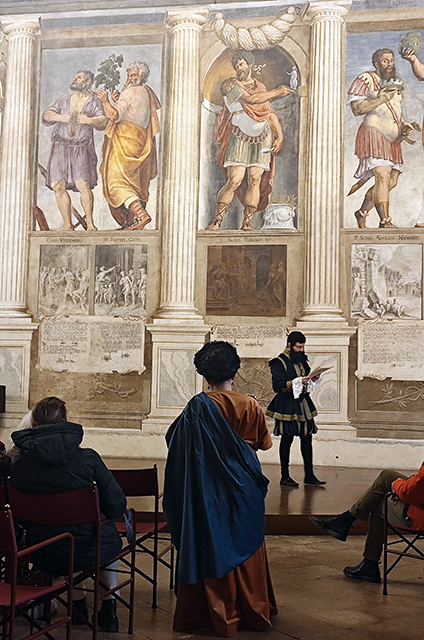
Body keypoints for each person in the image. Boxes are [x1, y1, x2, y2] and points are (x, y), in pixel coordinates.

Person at [163, 341, 277, 636]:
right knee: (246, 544)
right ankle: (253, 610)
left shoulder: (196, 408)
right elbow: (263, 444)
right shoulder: (250, 405)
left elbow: (174, 442)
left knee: (209, 543)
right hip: (244, 489)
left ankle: (210, 613)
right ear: (235, 372)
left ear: (204, 375)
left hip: (207, 490)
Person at [9, 396, 126, 632]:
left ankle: (77, 604)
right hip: (93, 545)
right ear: (65, 420)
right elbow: (116, 506)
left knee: (67, 535)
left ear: (33, 423)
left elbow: (20, 519)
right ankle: (108, 607)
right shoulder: (89, 459)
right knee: (101, 533)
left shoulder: (18, 466)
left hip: (45, 549)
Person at [208, 50, 293, 231]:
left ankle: (247, 223)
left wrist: (280, 136)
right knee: (234, 180)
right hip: (239, 136)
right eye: (236, 65)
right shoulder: (231, 85)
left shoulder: (260, 87)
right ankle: (217, 221)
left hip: (263, 137)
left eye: (242, 64)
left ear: (250, 65)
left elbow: (268, 113)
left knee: (255, 180)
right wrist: (278, 91)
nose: (239, 67)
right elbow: (252, 100)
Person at [309, 463, 424, 583]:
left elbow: (408, 493)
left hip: (419, 518)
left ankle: (369, 563)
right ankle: (345, 521)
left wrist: (396, 485)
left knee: (379, 505)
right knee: (387, 476)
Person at [347, 48, 413, 229]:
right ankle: (385, 221)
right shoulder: (365, 79)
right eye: (385, 61)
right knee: (383, 176)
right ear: (377, 64)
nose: (390, 64)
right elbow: (357, 109)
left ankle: (361, 212)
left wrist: (403, 123)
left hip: (393, 138)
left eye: (391, 60)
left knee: (391, 181)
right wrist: (380, 99)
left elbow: (394, 109)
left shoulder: (396, 83)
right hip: (374, 132)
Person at [98, 61, 161, 231]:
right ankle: (132, 221)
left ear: (141, 76)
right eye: (129, 75)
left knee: (116, 181)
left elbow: (113, 115)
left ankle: (141, 215)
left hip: (125, 140)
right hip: (139, 140)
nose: (129, 78)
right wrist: (118, 100)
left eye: (133, 75)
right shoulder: (146, 91)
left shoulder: (130, 92)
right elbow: (133, 112)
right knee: (133, 182)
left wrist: (105, 101)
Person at [43, 70, 107, 231]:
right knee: (57, 184)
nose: (75, 79)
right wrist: (61, 117)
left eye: (79, 77)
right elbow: (47, 115)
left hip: (81, 147)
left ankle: (90, 224)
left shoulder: (93, 100)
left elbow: (103, 120)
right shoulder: (65, 99)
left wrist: (89, 120)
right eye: (75, 77)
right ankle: (67, 224)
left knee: (82, 184)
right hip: (60, 147)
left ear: (88, 82)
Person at [266, 331, 325, 487]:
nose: (301, 350)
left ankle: (309, 475)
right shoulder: (278, 362)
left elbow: (305, 377)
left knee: (307, 439)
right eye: (298, 347)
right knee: (287, 440)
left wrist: (312, 378)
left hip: (303, 405)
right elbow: (277, 386)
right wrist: (297, 382)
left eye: (303, 347)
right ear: (289, 345)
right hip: (287, 405)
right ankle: (285, 476)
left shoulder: (302, 360)